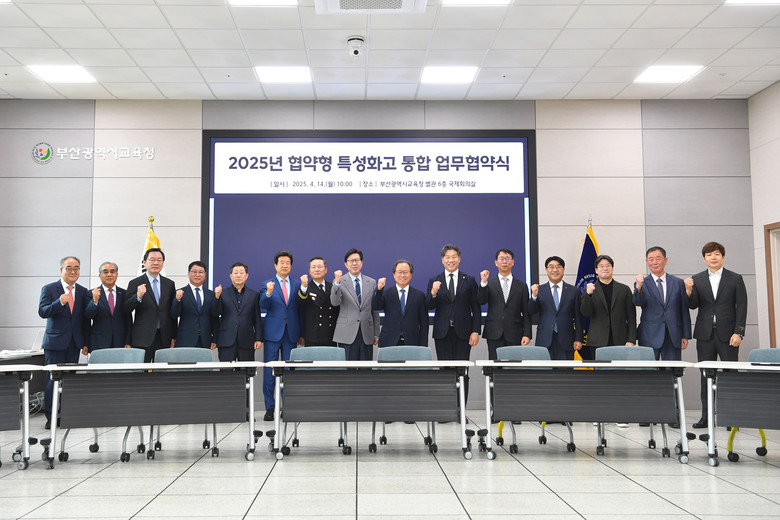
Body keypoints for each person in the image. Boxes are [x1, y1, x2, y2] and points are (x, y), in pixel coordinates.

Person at [686, 241, 747, 429]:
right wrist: (688, 290)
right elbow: (693, 305)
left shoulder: (735, 278)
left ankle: (730, 418)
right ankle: (706, 418)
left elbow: (742, 306)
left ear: (723, 257)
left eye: (717, 254)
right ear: (704, 258)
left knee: (730, 376)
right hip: (705, 335)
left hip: (729, 335)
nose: (713, 257)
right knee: (706, 376)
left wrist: (739, 332)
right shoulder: (697, 279)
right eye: (709, 255)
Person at [38, 256, 91, 428]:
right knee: (52, 380)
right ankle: (51, 417)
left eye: (77, 268)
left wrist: (85, 342)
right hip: (55, 343)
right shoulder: (49, 289)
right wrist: (59, 303)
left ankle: (66, 415)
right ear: (61, 270)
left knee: (69, 381)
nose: (73, 271)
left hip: (74, 343)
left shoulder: (83, 291)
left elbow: (85, 319)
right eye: (69, 268)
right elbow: (42, 311)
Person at [426, 244, 481, 403]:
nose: (451, 260)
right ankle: (447, 409)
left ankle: (461, 410)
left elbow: (476, 308)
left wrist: (475, 331)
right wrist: (433, 293)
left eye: (454, 257)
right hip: (442, 333)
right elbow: (428, 305)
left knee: (462, 371)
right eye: (447, 257)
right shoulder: (434, 280)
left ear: (459, 259)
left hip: (463, 333)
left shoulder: (469, 280)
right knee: (445, 371)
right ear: (442, 260)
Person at [260, 250, 303, 420]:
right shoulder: (267, 284)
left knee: (288, 372)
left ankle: (288, 407)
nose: (285, 265)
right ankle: (270, 408)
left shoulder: (298, 284)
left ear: (291, 265)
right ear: (275, 265)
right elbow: (263, 304)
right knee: (269, 372)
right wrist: (269, 293)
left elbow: (300, 310)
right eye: (281, 262)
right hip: (272, 333)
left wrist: (301, 333)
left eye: (288, 263)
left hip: (291, 333)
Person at [633, 247, 691, 361]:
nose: (655, 262)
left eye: (658, 259)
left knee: (672, 369)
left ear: (665, 260)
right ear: (647, 262)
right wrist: (638, 288)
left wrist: (685, 335)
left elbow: (683, 309)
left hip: (673, 335)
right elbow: (638, 302)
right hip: (649, 335)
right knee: (649, 370)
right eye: (651, 259)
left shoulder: (678, 282)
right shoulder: (642, 283)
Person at [123, 248, 177, 363]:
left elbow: (172, 312)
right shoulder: (135, 283)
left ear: (163, 263)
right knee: (142, 371)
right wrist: (138, 296)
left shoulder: (169, 284)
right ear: (144, 262)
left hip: (164, 337)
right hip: (143, 337)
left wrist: (173, 336)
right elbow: (126, 308)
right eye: (152, 260)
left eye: (159, 260)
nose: (156, 263)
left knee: (162, 371)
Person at [478, 248, 532, 360]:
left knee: (513, 366)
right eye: (501, 259)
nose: (504, 262)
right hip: (494, 332)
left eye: (507, 259)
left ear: (513, 262)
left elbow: (526, 312)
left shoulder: (521, 286)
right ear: (496, 262)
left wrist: (527, 334)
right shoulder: (489, 284)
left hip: (515, 332)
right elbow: (481, 301)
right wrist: (483, 283)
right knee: (495, 365)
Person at [529, 256, 584, 360]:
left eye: (558, 267)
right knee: (545, 369)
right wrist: (534, 296)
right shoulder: (539, 290)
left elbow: (578, 317)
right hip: (544, 339)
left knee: (565, 369)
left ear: (563, 269)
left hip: (567, 339)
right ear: (546, 270)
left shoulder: (573, 291)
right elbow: (532, 311)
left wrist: (578, 338)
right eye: (551, 267)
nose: (555, 270)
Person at [330, 248, 380, 360]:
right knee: (348, 369)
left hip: (366, 332)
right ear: (346, 264)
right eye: (351, 260)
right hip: (346, 333)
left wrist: (376, 333)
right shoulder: (339, 281)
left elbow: (375, 309)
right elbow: (335, 302)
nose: (354, 263)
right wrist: (337, 284)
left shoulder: (371, 282)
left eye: (357, 260)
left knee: (365, 368)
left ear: (361, 262)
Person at [580, 254, 636, 352]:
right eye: (601, 266)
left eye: (608, 265)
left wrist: (631, 340)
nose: (605, 268)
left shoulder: (624, 289)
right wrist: (588, 295)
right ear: (596, 270)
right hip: (597, 341)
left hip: (620, 341)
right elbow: (586, 313)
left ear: (612, 269)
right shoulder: (589, 289)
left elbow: (631, 317)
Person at [372, 259, 429, 347]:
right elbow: (376, 306)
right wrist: (379, 289)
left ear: (411, 274)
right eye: (399, 272)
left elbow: (424, 323)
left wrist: (423, 345)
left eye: (405, 272)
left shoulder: (419, 295)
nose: (402, 275)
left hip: (413, 342)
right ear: (394, 274)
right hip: (389, 342)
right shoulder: (386, 293)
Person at [213, 262, 263, 362]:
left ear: (246, 275)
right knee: (226, 370)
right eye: (235, 273)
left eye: (241, 272)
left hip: (247, 340)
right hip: (226, 340)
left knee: (246, 370)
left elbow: (257, 318)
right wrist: (216, 298)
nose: (238, 275)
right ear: (231, 276)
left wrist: (258, 338)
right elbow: (215, 313)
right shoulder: (222, 293)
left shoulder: (254, 295)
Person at [84, 261, 131, 353]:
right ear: (100, 275)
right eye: (105, 272)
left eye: (112, 272)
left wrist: (128, 341)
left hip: (120, 341)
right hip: (98, 341)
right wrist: (94, 301)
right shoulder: (91, 293)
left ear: (117, 275)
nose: (109, 274)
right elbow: (87, 317)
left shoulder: (124, 293)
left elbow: (128, 319)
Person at [171, 261, 218, 348]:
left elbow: (214, 318)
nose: (197, 275)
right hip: (185, 339)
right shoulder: (180, 292)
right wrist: (177, 300)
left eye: (201, 272)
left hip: (205, 340)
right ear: (188, 274)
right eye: (194, 272)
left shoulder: (211, 294)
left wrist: (214, 338)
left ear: (205, 275)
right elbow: (174, 315)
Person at [297, 256, 339, 346]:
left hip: (331, 336)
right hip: (312, 336)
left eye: (320, 266)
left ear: (326, 270)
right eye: (313, 267)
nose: (317, 269)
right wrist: (303, 287)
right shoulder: (305, 288)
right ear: (309, 271)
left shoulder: (332, 287)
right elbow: (301, 302)